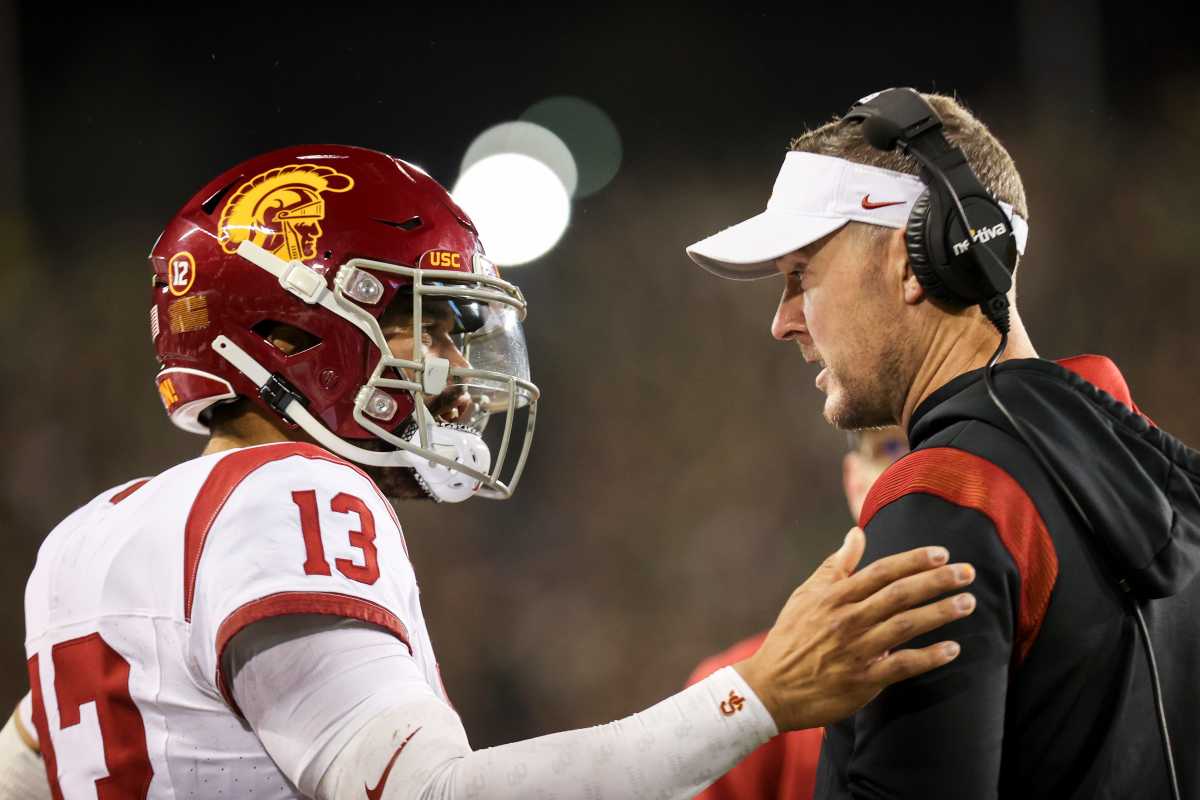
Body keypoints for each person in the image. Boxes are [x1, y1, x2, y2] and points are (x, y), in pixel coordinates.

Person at [3, 144, 979, 800]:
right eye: (424, 319)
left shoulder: (88, 537)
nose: (457, 365)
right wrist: (758, 693)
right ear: (292, 324)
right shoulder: (291, 493)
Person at [686, 88, 1200, 799]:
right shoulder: (1159, 483)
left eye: (801, 276)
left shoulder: (942, 497)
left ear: (912, 259)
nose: (784, 321)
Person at [686, 427, 909, 800]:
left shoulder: (1038, 677)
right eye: (891, 447)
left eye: (937, 443)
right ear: (855, 483)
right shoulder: (742, 694)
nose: (917, 467)